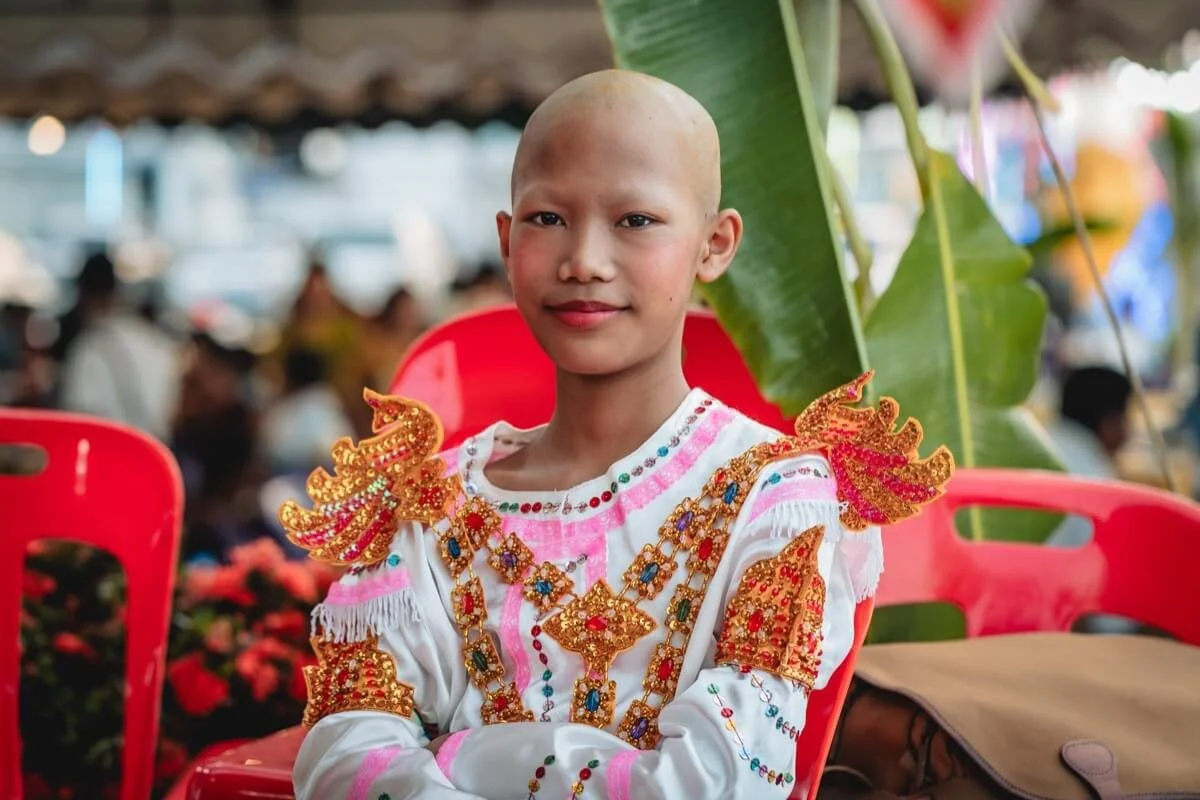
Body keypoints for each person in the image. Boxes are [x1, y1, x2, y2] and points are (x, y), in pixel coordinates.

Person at [284, 70, 953, 799]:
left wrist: (463, 759)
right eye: (547, 219)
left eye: (635, 220)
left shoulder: (778, 502)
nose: (584, 262)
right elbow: (343, 754)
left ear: (714, 244)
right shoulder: (425, 502)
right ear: (507, 243)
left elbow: (719, 783)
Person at [1045, 366, 1132, 547]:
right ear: (1110, 422)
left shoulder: (1039, 446)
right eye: (1127, 418)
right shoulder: (1097, 480)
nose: (1130, 432)